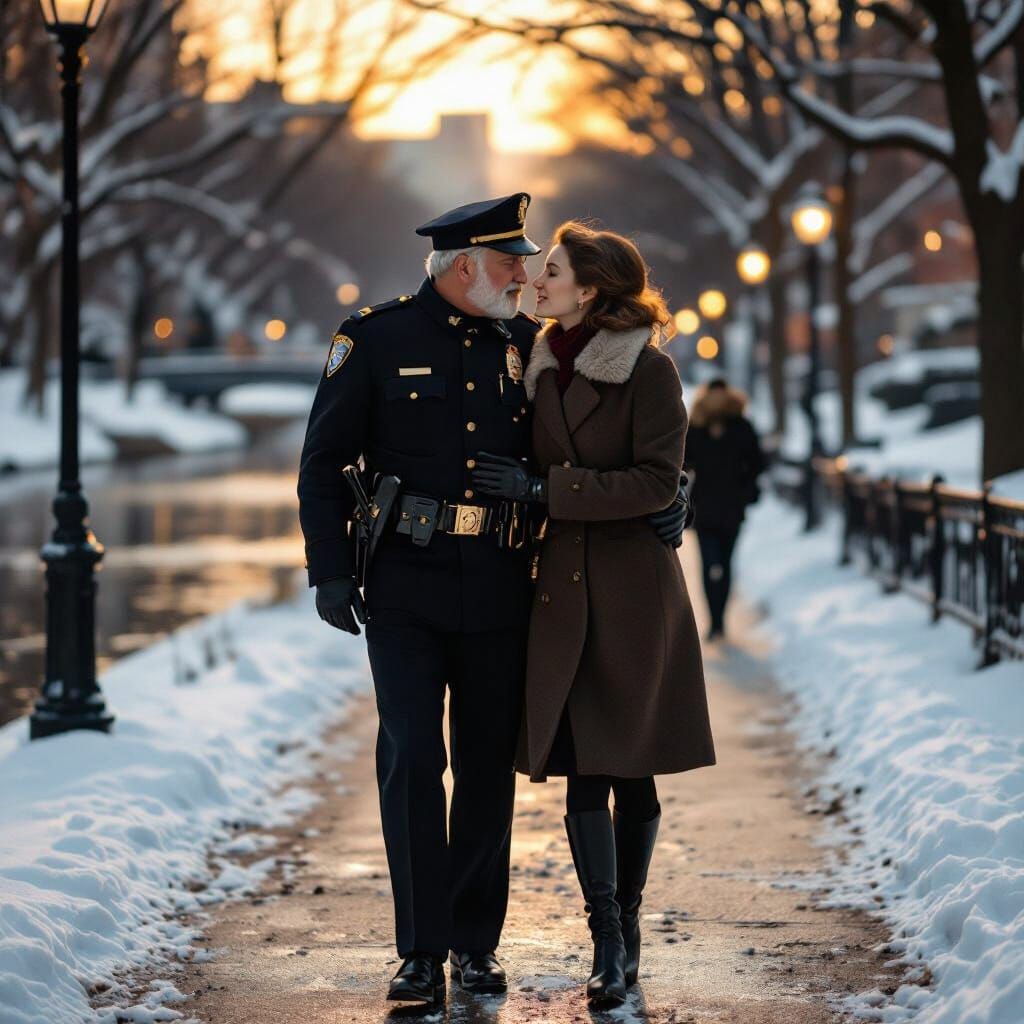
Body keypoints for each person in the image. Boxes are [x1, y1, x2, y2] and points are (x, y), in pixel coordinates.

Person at [296, 196, 688, 1008]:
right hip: (404, 580)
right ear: (465, 265)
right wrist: (329, 571)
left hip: (508, 579)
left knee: (483, 769)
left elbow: (609, 433)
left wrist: (670, 496)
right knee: (412, 758)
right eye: (513, 261)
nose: (525, 274)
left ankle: (475, 947)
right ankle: (419, 948)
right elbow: (322, 460)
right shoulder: (374, 338)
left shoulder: (529, 346)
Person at [471, 221, 716, 1008]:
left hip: (633, 594)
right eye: (538, 271)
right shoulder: (538, 364)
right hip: (560, 595)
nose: (536, 281)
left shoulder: (648, 371)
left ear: (591, 288)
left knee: (629, 765)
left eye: (552, 271)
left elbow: (656, 479)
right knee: (582, 767)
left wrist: (549, 492)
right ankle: (605, 936)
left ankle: (629, 927)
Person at [684, 377, 765, 641]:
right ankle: (716, 621)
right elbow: (684, 461)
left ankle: (717, 621)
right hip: (714, 506)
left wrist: (744, 485)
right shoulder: (706, 426)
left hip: (720, 506)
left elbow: (757, 461)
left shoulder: (734, 426)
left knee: (719, 564)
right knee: (716, 563)